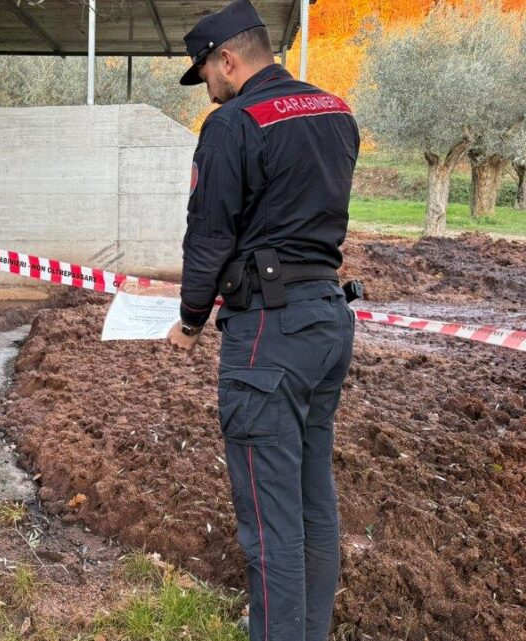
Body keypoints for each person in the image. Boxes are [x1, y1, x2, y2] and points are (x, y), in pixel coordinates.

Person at [166, 2, 360, 640]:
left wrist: (191, 321)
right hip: (328, 319)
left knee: (269, 521)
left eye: (207, 72)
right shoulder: (336, 111)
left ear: (228, 58)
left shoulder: (233, 123)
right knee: (313, 502)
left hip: (268, 337)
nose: (209, 87)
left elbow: (209, 236)